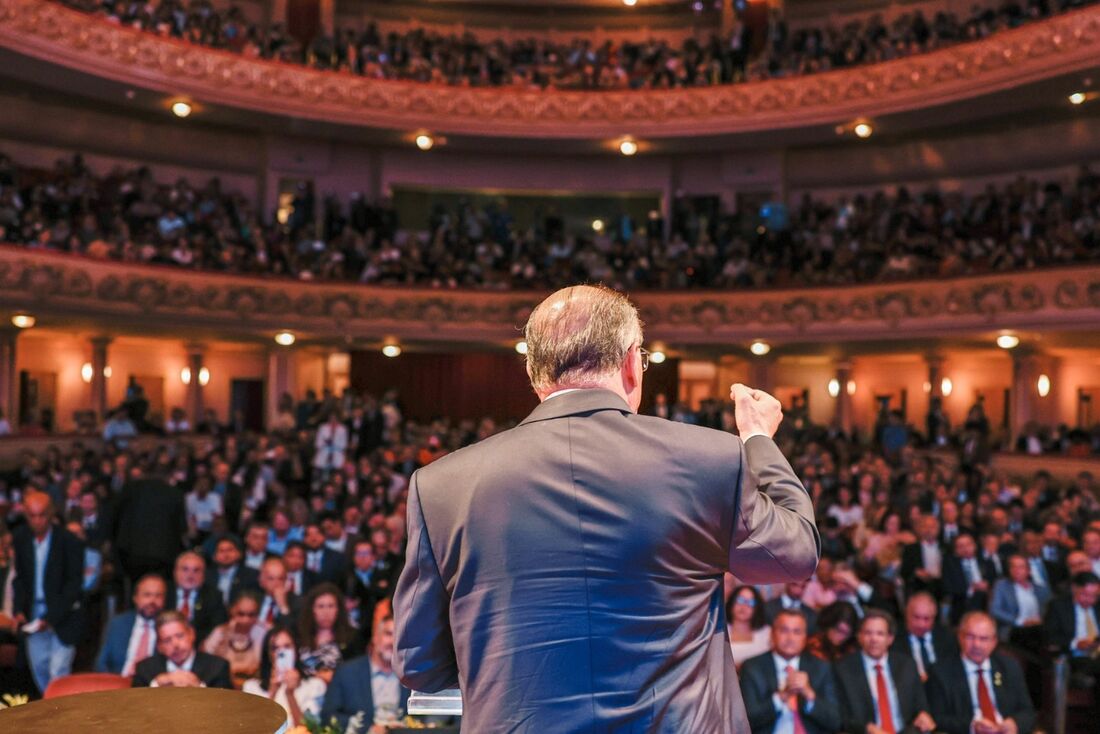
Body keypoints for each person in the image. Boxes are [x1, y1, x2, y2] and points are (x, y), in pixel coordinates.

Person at [393, 285, 819, 732]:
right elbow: (793, 556)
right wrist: (757, 440)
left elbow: (420, 662)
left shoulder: (442, 485)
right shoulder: (710, 458)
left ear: (535, 375)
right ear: (633, 362)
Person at [12, 491, 85, 693]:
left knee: (59, 671)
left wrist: (51, 618)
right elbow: (20, 579)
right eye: (32, 515)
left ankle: (58, 716)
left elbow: (73, 585)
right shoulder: (21, 539)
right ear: (25, 515)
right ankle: (51, 713)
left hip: (63, 614)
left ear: (51, 514)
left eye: (42, 515)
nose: (37, 521)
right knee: (40, 669)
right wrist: (19, 609)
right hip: (33, 613)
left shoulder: (69, 541)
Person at [926, 611, 1036, 734]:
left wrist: (1015, 724)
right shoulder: (941, 672)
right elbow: (937, 718)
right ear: (960, 637)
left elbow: (1027, 712)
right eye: (970, 637)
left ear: (994, 642)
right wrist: (972, 726)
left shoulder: (1009, 667)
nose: (976, 644)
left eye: (983, 639)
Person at [739, 610, 842, 734]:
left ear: (805, 638)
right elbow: (747, 721)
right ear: (772, 634)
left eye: (797, 632)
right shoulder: (752, 667)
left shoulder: (821, 667)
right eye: (784, 630)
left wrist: (809, 695)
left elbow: (835, 722)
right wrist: (782, 696)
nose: (790, 638)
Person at [834, 610, 936, 734]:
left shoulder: (906, 665)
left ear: (890, 639)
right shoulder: (844, 669)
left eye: (880, 634)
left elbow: (920, 705)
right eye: (868, 633)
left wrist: (923, 715)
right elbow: (841, 715)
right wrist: (869, 728)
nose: (874, 639)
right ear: (859, 637)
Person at [321, 606, 411, 730]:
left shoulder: (412, 675)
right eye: (388, 634)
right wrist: (368, 729)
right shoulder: (347, 673)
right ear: (375, 637)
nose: (392, 641)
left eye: (398, 636)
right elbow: (328, 716)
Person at [242, 625, 327, 729]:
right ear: (268, 653)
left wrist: (290, 694)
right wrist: (272, 692)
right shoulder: (251, 687)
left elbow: (309, 729)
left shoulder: (315, 685)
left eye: (287, 647)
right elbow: (254, 729)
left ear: (296, 650)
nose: (281, 653)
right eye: (275, 648)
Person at [131, 610, 232, 689]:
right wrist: (156, 684)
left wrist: (199, 686)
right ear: (159, 646)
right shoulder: (145, 669)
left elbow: (225, 708)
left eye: (180, 636)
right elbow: (136, 706)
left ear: (192, 634)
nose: (175, 644)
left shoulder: (217, 667)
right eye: (167, 640)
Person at [95, 573, 166, 675]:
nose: (152, 601)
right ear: (136, 598)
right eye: (147, 595)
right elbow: (101, 663)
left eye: (158, 596)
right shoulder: (118, 624)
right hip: (119, 682)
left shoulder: (170, 627)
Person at [202, 589, 267, 687]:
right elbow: (206, 660)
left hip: (254, 686)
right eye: (241, 614)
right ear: (232, 610)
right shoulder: (220, 632)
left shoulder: (263, 632)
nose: (246, 620)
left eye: (251, 615)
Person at [888, 592, 957, 683]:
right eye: (916, 617)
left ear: (934, 617)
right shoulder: (893, 640)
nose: (921, 624)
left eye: (927, 619)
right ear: (906, 614)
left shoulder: (947, 638)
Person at [297, 583, 358, 683]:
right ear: (312, 610)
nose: (326, 612)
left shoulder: (352, 638)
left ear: (338, 609)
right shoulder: (299, 637)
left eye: (331, 606)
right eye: (321, 606)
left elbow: (355, 673)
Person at [989, 555, 1050, 646]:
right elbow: (995, 610)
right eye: (1013, 567)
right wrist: (1020, 621)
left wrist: (1040, 620)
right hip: (1014, 629)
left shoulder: (1040, 589)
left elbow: (1050, 610)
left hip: (1038, 628)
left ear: (1028, 571)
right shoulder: (1001, 586)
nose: (1016, 570)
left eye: (1021, 567)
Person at [167, 551, 226, 643]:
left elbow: (217, 628)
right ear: (175, 572)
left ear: (204, 575)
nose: (190, 575)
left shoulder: (214, 596)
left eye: (196, 570)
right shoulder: (164, 592)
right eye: (185, 569)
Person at [728, 585, 773, 667]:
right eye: (740, 600)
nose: (744, 606)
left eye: (751, 602)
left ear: (757, 608)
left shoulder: (767, 633)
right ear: (732, 602)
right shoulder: (718, 631)